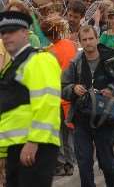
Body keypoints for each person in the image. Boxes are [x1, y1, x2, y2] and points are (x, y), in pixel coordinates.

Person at [62, 25, 114, 187]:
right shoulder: (75, 62)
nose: (88, 43)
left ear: (97, 38)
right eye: (84, 40)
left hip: (105, 118)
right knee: (84, 163)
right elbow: (62, 87)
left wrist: (111, 90)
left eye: (91, 38)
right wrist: (73, 89)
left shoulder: (111, 58)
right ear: (80, 42)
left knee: (107, 162)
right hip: (81, 119)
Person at [0, 11, 61, 186]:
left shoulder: (39, 59)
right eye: (3, 32)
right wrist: (3, 153)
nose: (6, 36)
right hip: (16, 148)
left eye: (12, 31)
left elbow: (47, 103)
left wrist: (34, 142)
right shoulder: (12, 66)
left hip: (35, 146)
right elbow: (7, 113)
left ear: (26, 33)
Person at [40, 16, 78, 177]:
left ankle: (61, 164)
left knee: (58, 134)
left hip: (58, 98)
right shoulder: (71, 45)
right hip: (72, 96)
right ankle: (70, 164)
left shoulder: (50, 52)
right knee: (69, 134)